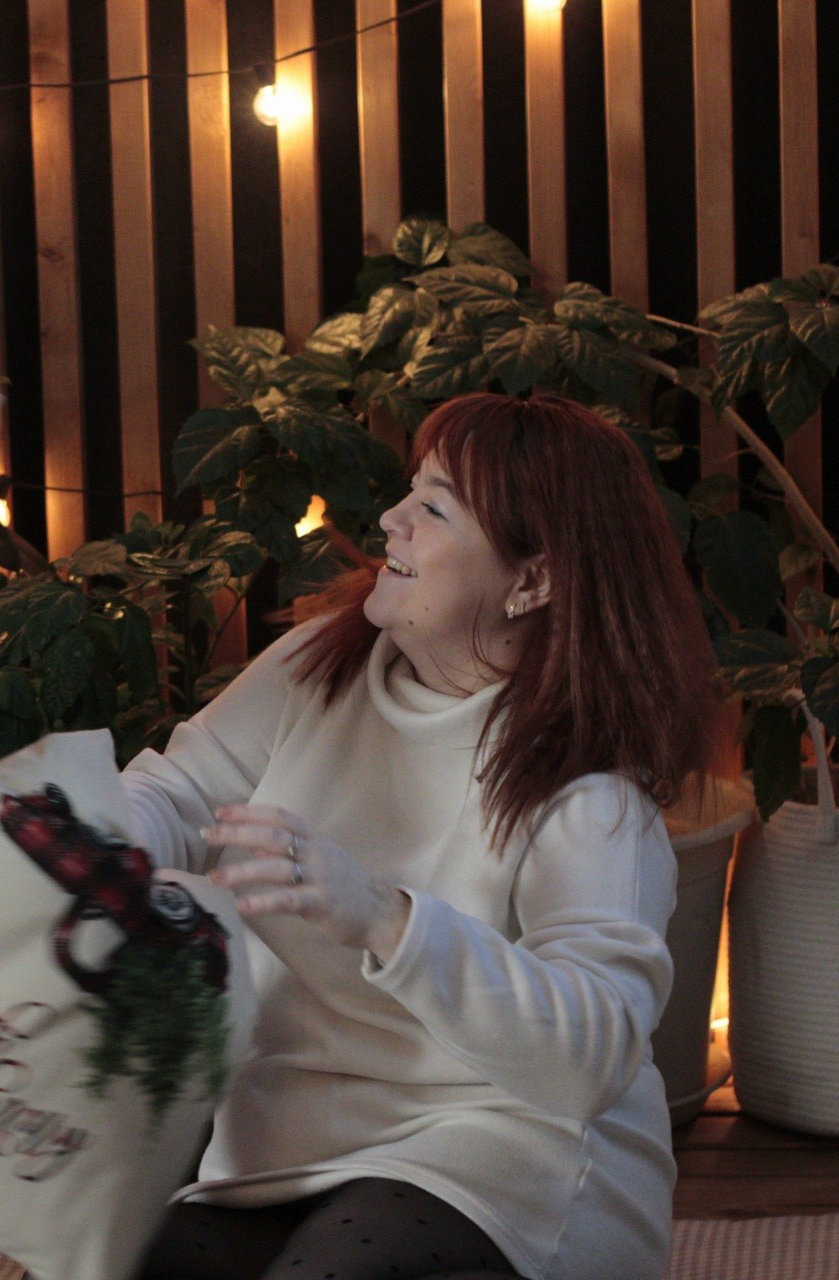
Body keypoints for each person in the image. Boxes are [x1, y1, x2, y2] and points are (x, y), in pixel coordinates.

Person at [120, 393, 719, 1280]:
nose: (391, 520)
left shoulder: (593, 795)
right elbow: (175, 793)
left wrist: (384, 918)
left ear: (533, 581)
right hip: (292, 1142)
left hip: (507, 1152)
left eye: (434, 508)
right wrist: (90, 847)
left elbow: (591, 1056)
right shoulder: (313, 669)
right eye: (411, 491)